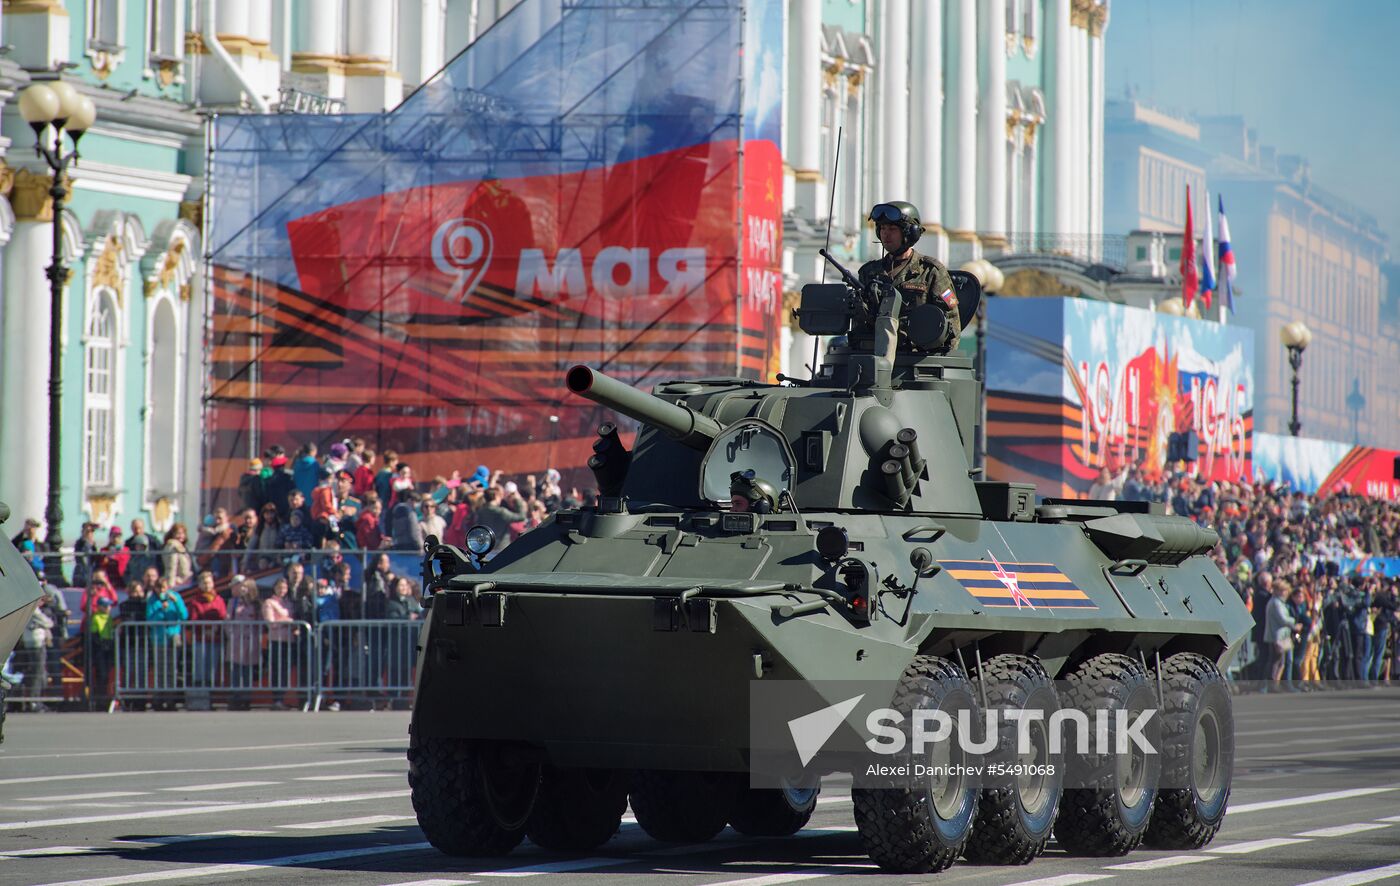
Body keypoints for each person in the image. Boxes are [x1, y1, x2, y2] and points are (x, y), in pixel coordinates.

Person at [855, 201, 960, 353]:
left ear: (910, 233)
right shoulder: (869, 272)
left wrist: (943, 358)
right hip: (873, 356)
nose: (886, 233)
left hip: (915, 359)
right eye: (882, 228)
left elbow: (951, 318)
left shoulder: (930, 271)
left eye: (892, 229)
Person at [185, 571, 227, 711]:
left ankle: (209, 701)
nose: (207, 585)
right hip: (200, 639)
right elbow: (194, 619)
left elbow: (222, 616)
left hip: (215, 639)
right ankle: (199, 702)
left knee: (211, 670)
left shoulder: (219, 599)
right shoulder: (195, 601)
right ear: (200, 584)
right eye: (204, 582)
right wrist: (205, 630)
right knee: (200, 670)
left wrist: (216, 629)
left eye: (209, 582)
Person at [144, 577, 188, 710]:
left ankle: (170, 700)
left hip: (174, 636)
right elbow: (150, 619)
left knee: (172, 669)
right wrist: (161, 611)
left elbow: (184, 615)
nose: (162, 590)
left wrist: (177, 603)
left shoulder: (176, 597)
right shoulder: (152, 600)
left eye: (164, 587)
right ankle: (158, 700)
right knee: (160, 669)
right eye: (159, 587)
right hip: (159, 638)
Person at [225, 578, 263, 710]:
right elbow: (228, 620)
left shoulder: (257, 604)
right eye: (241, 587)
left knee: (247, 671)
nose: (243, 589)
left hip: (251, 641)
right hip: (236, 640)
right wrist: (231, 635)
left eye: (246, 587)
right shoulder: (233, 602)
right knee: (236, 670)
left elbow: (260, 622)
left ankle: (246, 699)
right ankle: (236, 698)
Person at [262, 578, 297, 709]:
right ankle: (277, 699)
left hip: (289, 640)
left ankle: (282, 698)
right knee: (277, 670)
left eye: (284, 588)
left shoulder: (289, 602)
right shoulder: (269, 602)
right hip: (276, 640)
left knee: (285, 671)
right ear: (274, 588)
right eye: (279, 588)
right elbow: (270, 622)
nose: (282, 590)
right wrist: (286, 621)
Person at [162, 523, 194, 588]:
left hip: (185, 582)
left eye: (183, 533)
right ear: (173, 534)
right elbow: (171, 567)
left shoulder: (181, 547)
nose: (181, 536)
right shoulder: (173, 547)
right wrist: (170, 585)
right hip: (177, 583)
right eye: (178, 533)